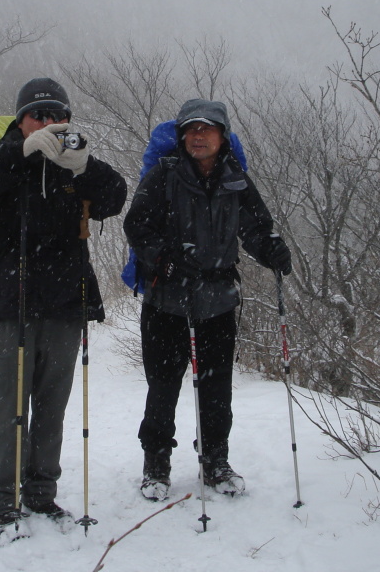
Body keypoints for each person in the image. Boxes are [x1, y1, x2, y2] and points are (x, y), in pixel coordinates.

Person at [0, 77, 126, 544]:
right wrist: (22, 153)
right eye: (39, 115)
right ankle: (2, 503)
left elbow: (114, 198)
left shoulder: (73, 163)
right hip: (12, 304)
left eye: (58, 115)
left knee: (51, 407)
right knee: (9, 409)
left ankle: (40, 493)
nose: (49, 123)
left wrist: (83, 166)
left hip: (64, 305)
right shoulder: (4, 159)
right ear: (21, 120)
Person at [123, 98, 292, 501]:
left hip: (217, 301)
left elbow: (255, 227)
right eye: (191, 129)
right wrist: (165, 261)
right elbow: (137, 226)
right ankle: (156, 464)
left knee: (217, 388)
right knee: (163, 386)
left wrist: (271, 250)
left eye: (207, 129)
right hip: (167, 301)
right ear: (181, 137)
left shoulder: (236, 180)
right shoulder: (163, 176)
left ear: (223, 136)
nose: (198, 136)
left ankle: (216, 461)